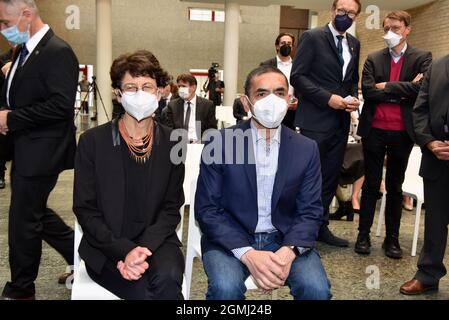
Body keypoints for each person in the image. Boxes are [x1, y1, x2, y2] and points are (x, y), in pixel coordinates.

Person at [196, 65, 331, 300]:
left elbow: (310, 211)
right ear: (246, 103)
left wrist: (288, 253)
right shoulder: (221, 143)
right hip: (231, 238)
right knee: (224, 290)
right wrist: (249, 255)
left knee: (316, 290)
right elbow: (208, 210)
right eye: (261, 93)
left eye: (279, 93)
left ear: (290, 100)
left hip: (286, 239)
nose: (272, 100)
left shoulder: (306, 149)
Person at [73, 51, 185, 300]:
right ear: (118, 93)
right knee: (146, 293)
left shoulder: (174, 141)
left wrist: (141, 249)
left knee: (168, 280)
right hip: (106, 246)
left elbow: (171, 207)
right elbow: (85, 210)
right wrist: (124, 251)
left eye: (147, 86)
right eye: (131, 87)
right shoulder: (92, 142)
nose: (139, 93)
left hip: (157, 240)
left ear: (159, 92)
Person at [0, 0, 78, 300]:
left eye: (6, 22)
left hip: (43, 149)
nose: (3, 29)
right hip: (24, 146)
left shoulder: (57, 52)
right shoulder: (22, 52)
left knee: (23, 221)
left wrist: (11, 118)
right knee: (31, 212)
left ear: (27, 14)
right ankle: (79, 252)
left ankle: (21, 288)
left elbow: (60, 106)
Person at [355, 11, 432, 259]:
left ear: (408, 29)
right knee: (370, 184)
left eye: (396, 28)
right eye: (386, 28)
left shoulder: (422, 57)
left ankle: (392, 239)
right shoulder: (374, 58)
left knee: (395, 187)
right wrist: (404, 89)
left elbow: (421, 90)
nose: (390, 33)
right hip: (374, 130)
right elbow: (368, 91)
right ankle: (363, 235)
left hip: (403, 132)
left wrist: (386, 86)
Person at [291, 0, 361, 247]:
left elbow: (352, 79)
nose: (345, 15)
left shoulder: (354, 43)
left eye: (351, 13)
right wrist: (328, 99)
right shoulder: (313, 37)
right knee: (309, 177)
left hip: (340, 121)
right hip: (315, 120)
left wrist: (352, 98)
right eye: (341, 11)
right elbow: (297, 76)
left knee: (330, 178)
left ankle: (321, 227)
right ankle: (301, 231)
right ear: (333, 11)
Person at [399, 54, 449, 295]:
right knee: (435, 222)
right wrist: (429, 142)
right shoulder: (438, 66)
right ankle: (428, 274)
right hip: (436, 158)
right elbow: (419, 110)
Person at [260, 32, 298, 130]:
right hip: (271, 111)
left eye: (289, 44)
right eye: (283, 43)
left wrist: (298, 102)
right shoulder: (266, 65)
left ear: (292, 47)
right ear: (277, 46)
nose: (286, 46)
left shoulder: (298, 66)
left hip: (292, 113)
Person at [165, 73, 217, 143]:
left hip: (200, 144)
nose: (180, 89)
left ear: (193, 87)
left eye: (183, 86)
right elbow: (169, 129)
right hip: (178, 145)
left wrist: (202, 141)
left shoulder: (207, 105)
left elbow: (212, 129)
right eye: (179, 86)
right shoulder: (173, 105)